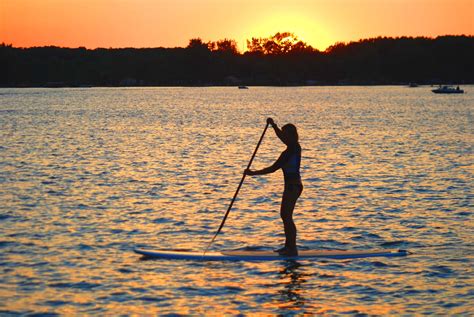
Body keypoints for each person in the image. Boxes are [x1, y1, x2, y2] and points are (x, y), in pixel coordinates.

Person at [244, 118, 303, 256]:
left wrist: (253, 173)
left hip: (293, 187)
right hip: (293, 186)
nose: (283, 137)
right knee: (285, 216)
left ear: (291, 136)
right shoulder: (295, 146)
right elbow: (282, 137)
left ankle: (292, 248)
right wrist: (274, 126)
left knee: (287, 216)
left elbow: (272, 169)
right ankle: (288, 246)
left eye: (286, 134)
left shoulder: (289, 152)